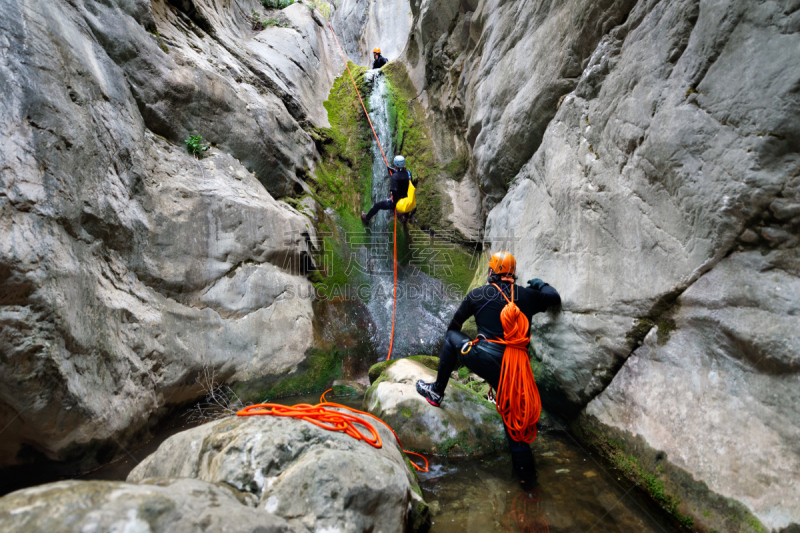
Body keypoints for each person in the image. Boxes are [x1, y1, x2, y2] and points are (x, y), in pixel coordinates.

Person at [416, 251, 561, 488]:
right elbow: (552, 296)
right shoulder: (526, 296)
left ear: (492, 272)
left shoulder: (478, 294)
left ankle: (436, 391)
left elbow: (453, 326)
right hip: (514, 369)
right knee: (515, 424)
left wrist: (461, 351)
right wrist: (539, 284)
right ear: (512, 274)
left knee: (453, 337)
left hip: (485, 359)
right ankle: (528, 486)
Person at [361, 155, 411, 224]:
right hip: (408, 200)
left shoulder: (394, 177)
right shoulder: (409, 174)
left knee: (377, 205)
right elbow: (402, 177)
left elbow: (394, 191)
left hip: (397, 202)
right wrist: (393, 171)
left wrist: (394, 204)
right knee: (407, 204)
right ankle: (405, 217)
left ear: (395, 165)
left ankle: (366, 218)